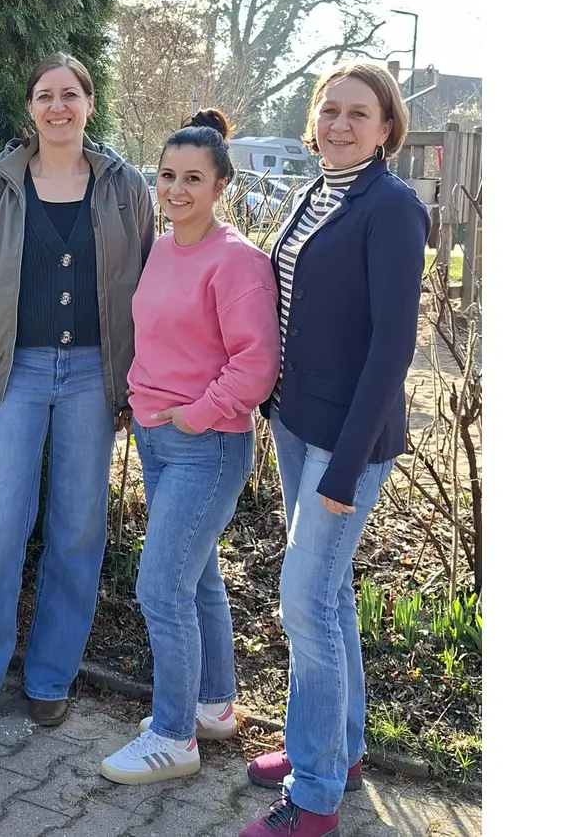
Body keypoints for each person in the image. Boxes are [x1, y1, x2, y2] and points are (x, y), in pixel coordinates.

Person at [0, 54, 155, 730]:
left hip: (94, 374)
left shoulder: (124, 189)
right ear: (30, 108)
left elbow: (149, 291)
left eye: (71, 95)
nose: (57, 106)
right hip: (14, 375)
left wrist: (135, 385)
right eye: (45, 95)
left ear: (90, 104)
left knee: (78, 529)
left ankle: (50, 675)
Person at [238, 61, 429, 837]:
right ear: (314, 119)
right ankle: (339, 750)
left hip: (348, 439)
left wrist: (347, 467)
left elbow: (393, 347)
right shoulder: (317, 192)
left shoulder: (393, 207)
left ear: (387, 129)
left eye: (360, 114)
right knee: (329, 595)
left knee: (303, 603)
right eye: (331, 111)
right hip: (296, 421)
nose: (341, 125)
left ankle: (315, 799)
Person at [98, 110, 280, 785]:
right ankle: (212, 706)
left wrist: (198, 417)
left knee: (161, 586)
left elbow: (255, 365)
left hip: (207, 445)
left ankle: (173, 738)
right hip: (158, 435)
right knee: (196, 577)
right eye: (168, 176)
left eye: (193, 179)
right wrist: (139, 404)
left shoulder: (238, 262)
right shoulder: (162, 248)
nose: (176, 189)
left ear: (222, 185)